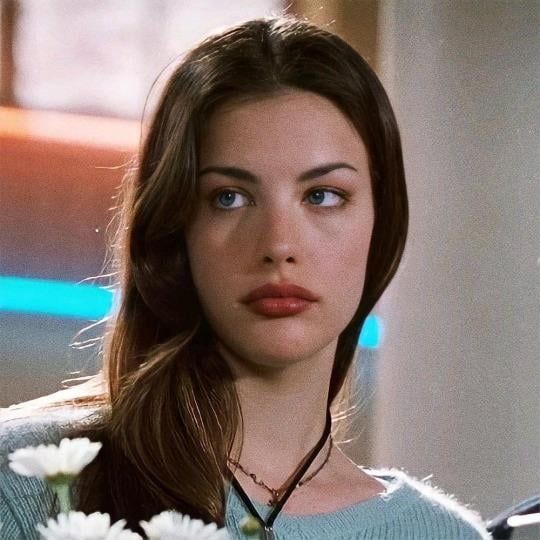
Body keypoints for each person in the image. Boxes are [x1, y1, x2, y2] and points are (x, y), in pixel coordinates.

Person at [0, 15, 491, 539]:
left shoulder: (443, 534)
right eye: (229, 198)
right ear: (176, 226)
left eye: (322, 196)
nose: (279, 244)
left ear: (381, 221)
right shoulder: (24, 485)